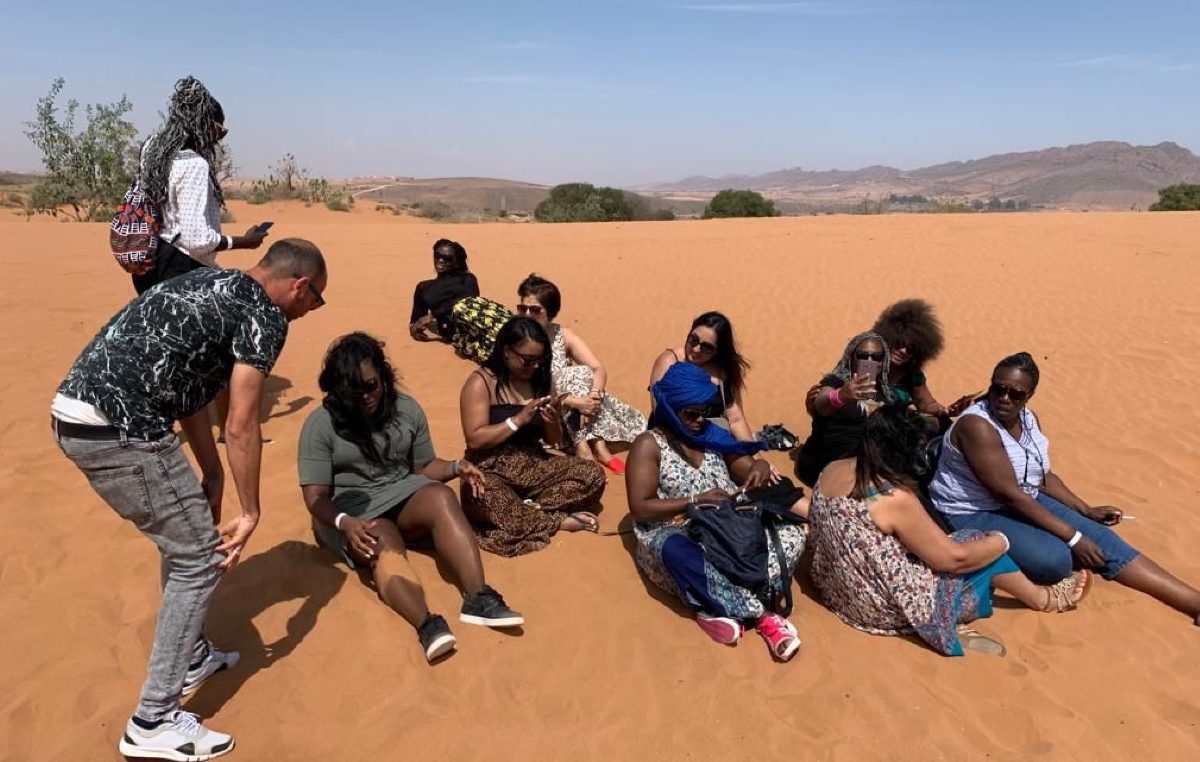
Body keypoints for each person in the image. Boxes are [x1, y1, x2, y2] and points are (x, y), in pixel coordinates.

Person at [52, 239, 327, 760]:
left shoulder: (208, 283)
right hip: (119, 431)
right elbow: (243, 423)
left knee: (183, 543)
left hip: (81, 416)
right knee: (198, 561)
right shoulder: (266, 316)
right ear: (299, 286)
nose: (310, 311)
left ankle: (194, 654)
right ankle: (152, 721)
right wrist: (251, 510)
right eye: (315, 301)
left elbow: (190, 392)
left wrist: (212, 472)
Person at [930, 352, 1200, 626]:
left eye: (1016, 393)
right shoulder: (978, 426)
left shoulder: (1028, 420)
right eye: (998, 389)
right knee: (1055, 561)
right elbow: (1007, 493)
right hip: (972, 510)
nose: (1004, 398)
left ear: (1029, 395)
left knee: (1103, 541)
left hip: (1021, 498)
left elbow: (1041, 476)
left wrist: (1084, 510)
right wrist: (1073, 538)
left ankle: (1193, 602)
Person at [299, 333, 523, 663]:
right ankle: (427, 624)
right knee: (381, 538)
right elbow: (315, 496)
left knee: (441, 498)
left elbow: (421, 468)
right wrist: (344, 524)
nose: (364, 396)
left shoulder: (406, 409)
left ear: (384, 375)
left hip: (400, 489)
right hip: (350, 512)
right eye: (352, 390)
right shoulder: (320, 424)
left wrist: (456, 467)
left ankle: (479, 596)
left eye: (371, 385)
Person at [808, 404, 1089, 657]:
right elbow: (951, 560)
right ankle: (1044, 600)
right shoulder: (890, 498)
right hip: (879, 607)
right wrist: (1001, 542)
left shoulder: (832, 469)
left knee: (957, 545)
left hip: (839, 591)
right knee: (977, 543)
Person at [626, 362, 808, 661]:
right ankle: (763, 617)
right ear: (672, 407)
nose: (700, 420)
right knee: (677, 553)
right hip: (677, 530)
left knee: (792, 535)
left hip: (726, 526)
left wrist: (759, 466)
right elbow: (641, 507)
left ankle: (713, 608)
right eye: (691, 414)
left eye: (704, 412)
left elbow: (746, 465)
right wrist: (693, 501)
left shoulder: (713, 437)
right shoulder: (649, 444)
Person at [458, 317, 608, 556]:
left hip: (533, 465)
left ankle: (526, 512)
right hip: (488, 468)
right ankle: (555, 521)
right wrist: (518, 419)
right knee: (483, 495)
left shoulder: (540, 378)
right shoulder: (481, 382)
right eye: (528, 360)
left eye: (540, 360)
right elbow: (475, 439)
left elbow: (551, 441)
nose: (535, 366)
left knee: (592, 475)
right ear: (507, 351)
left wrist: (553, 421)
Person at [135, 76, 268, 294]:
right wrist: (244, 241)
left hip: (150, 259)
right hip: (179, 271)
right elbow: (197, 241)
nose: (220, 137)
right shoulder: (194, 165)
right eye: (219, 129)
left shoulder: (152, 149)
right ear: (201, 123)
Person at [516, 273, 646, 473]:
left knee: (582, 372)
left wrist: (593, 396)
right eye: (522, 308)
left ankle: (595, 445)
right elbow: (522, 387)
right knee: (565, 377)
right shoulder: (515, 337)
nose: (526, 315)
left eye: (535, 310)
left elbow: (598, 369)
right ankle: (587, 447)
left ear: (549, 312)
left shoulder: (562, 335)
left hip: (576, 410)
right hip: (544, 410)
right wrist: (572, 402)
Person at [795, 332, 895, 488]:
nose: (869, 361)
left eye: (877, 357)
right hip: (828, 462)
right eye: (862, 355)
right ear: (851, 357)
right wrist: (842, 395)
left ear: (884, 362)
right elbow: (821, 404)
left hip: (865, 463)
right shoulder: (836, 382)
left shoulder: (885, 393)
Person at [649, 311, 755, 440]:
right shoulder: (669, 361)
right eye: (693, 339)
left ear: (718, 351)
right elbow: (660, 411)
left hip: (713, 439)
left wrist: (753, 454)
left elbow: (736, 420)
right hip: (672, 438)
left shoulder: (723, 371)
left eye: (707, 347)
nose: (696, 349)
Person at [871, 298, 976, 420]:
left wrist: (945, 411)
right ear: (887, 339)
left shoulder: (912, 374)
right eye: (899, 343)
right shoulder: (866, 363)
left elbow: (927, 404)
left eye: (912, 349)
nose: (903, 351)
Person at [409, 239, 480, 343]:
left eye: (447, 258)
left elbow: (470, 299)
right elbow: (417, 319)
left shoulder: (467, 278)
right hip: (448, 332)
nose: (441, 260)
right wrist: (414, 328)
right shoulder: (424, 287)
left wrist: (433, 315)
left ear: (457, 263)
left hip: (472, 330)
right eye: (437, 256)